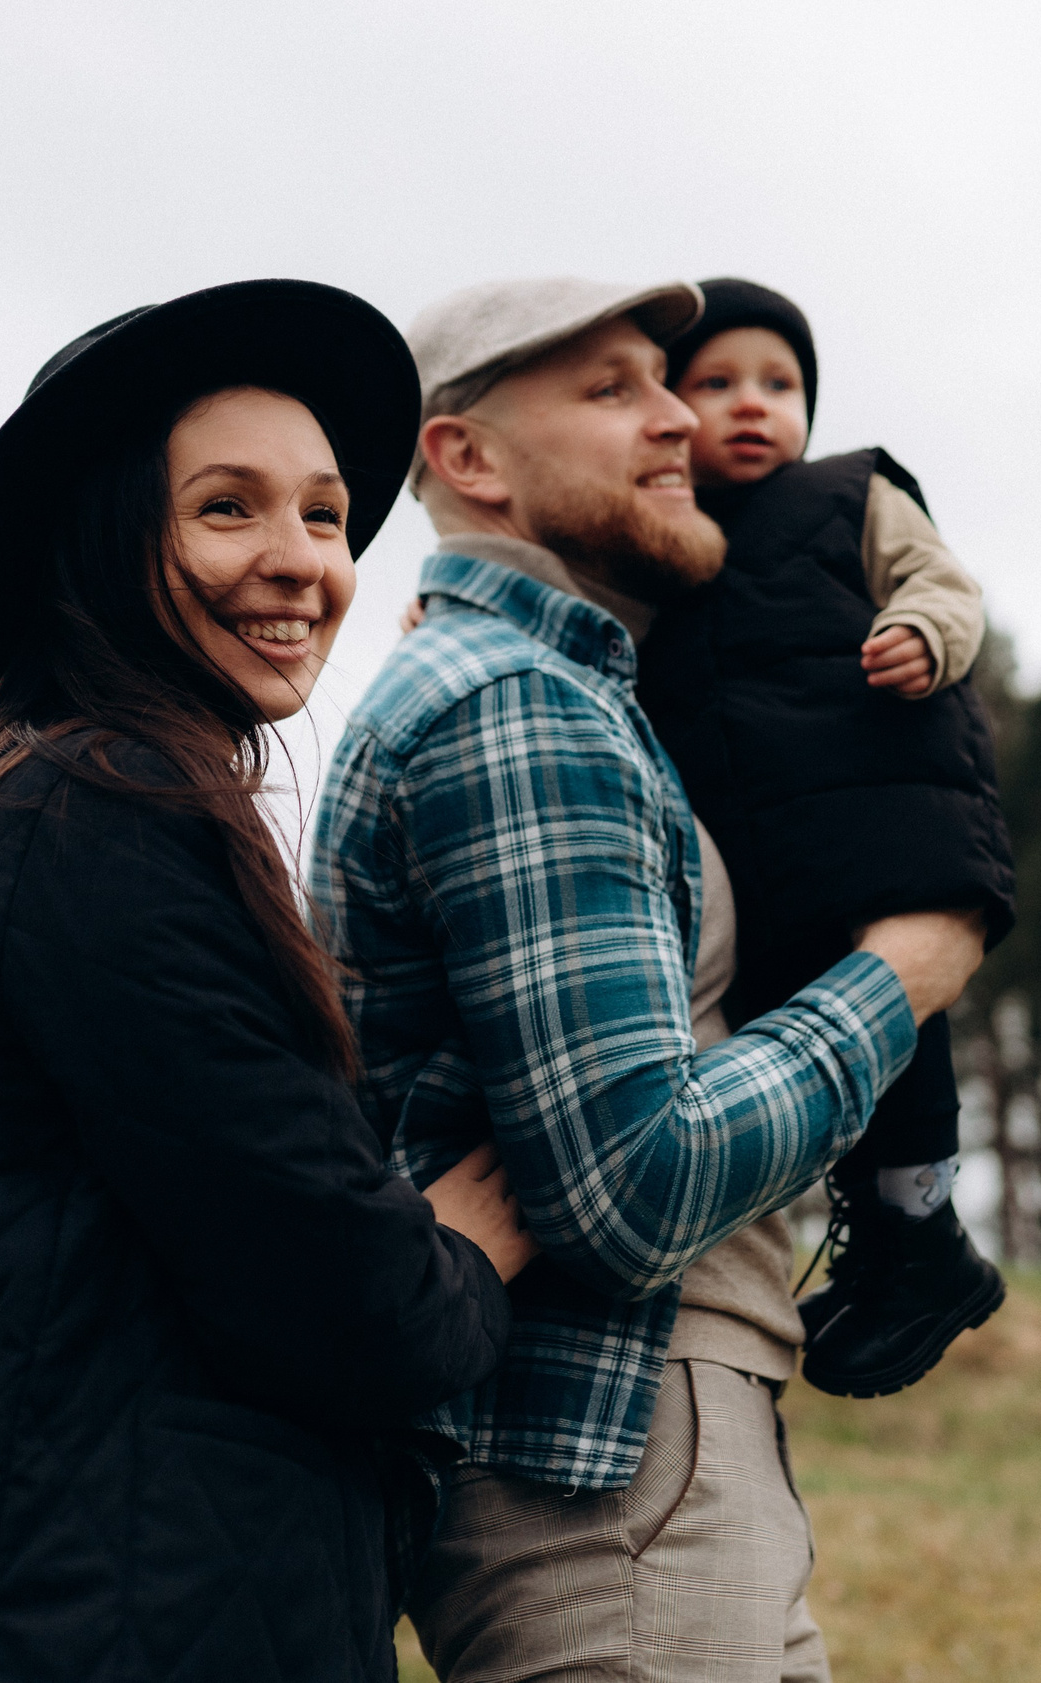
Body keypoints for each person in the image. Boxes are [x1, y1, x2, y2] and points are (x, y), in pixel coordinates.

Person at [0, 279, 532, 1683]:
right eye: (227, 507)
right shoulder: (115, 825)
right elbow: (343, 1299)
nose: (301, 561)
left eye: (325, 515)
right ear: (105, 539)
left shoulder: (35, 806)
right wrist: (467, 1249)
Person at [307, 277, 986, 1682]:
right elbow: (633, 1185)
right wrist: (900, 974)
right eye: (615, 390)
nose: (682, 416)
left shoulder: (575, 692)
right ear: (468, 458)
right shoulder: (518, 706)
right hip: (609, 1467)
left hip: (660, 1434)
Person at [643, 278, 1016, 1400]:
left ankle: (919, 1228)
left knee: (894, 1008)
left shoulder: (850, 491)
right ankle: (888, 1233)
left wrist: (919, 633)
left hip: (877, 801)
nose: (752, 404)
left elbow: (941, 583)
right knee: (806, 1030)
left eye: (779, 383)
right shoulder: (658, 536)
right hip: (756, 843)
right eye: (716, 384)